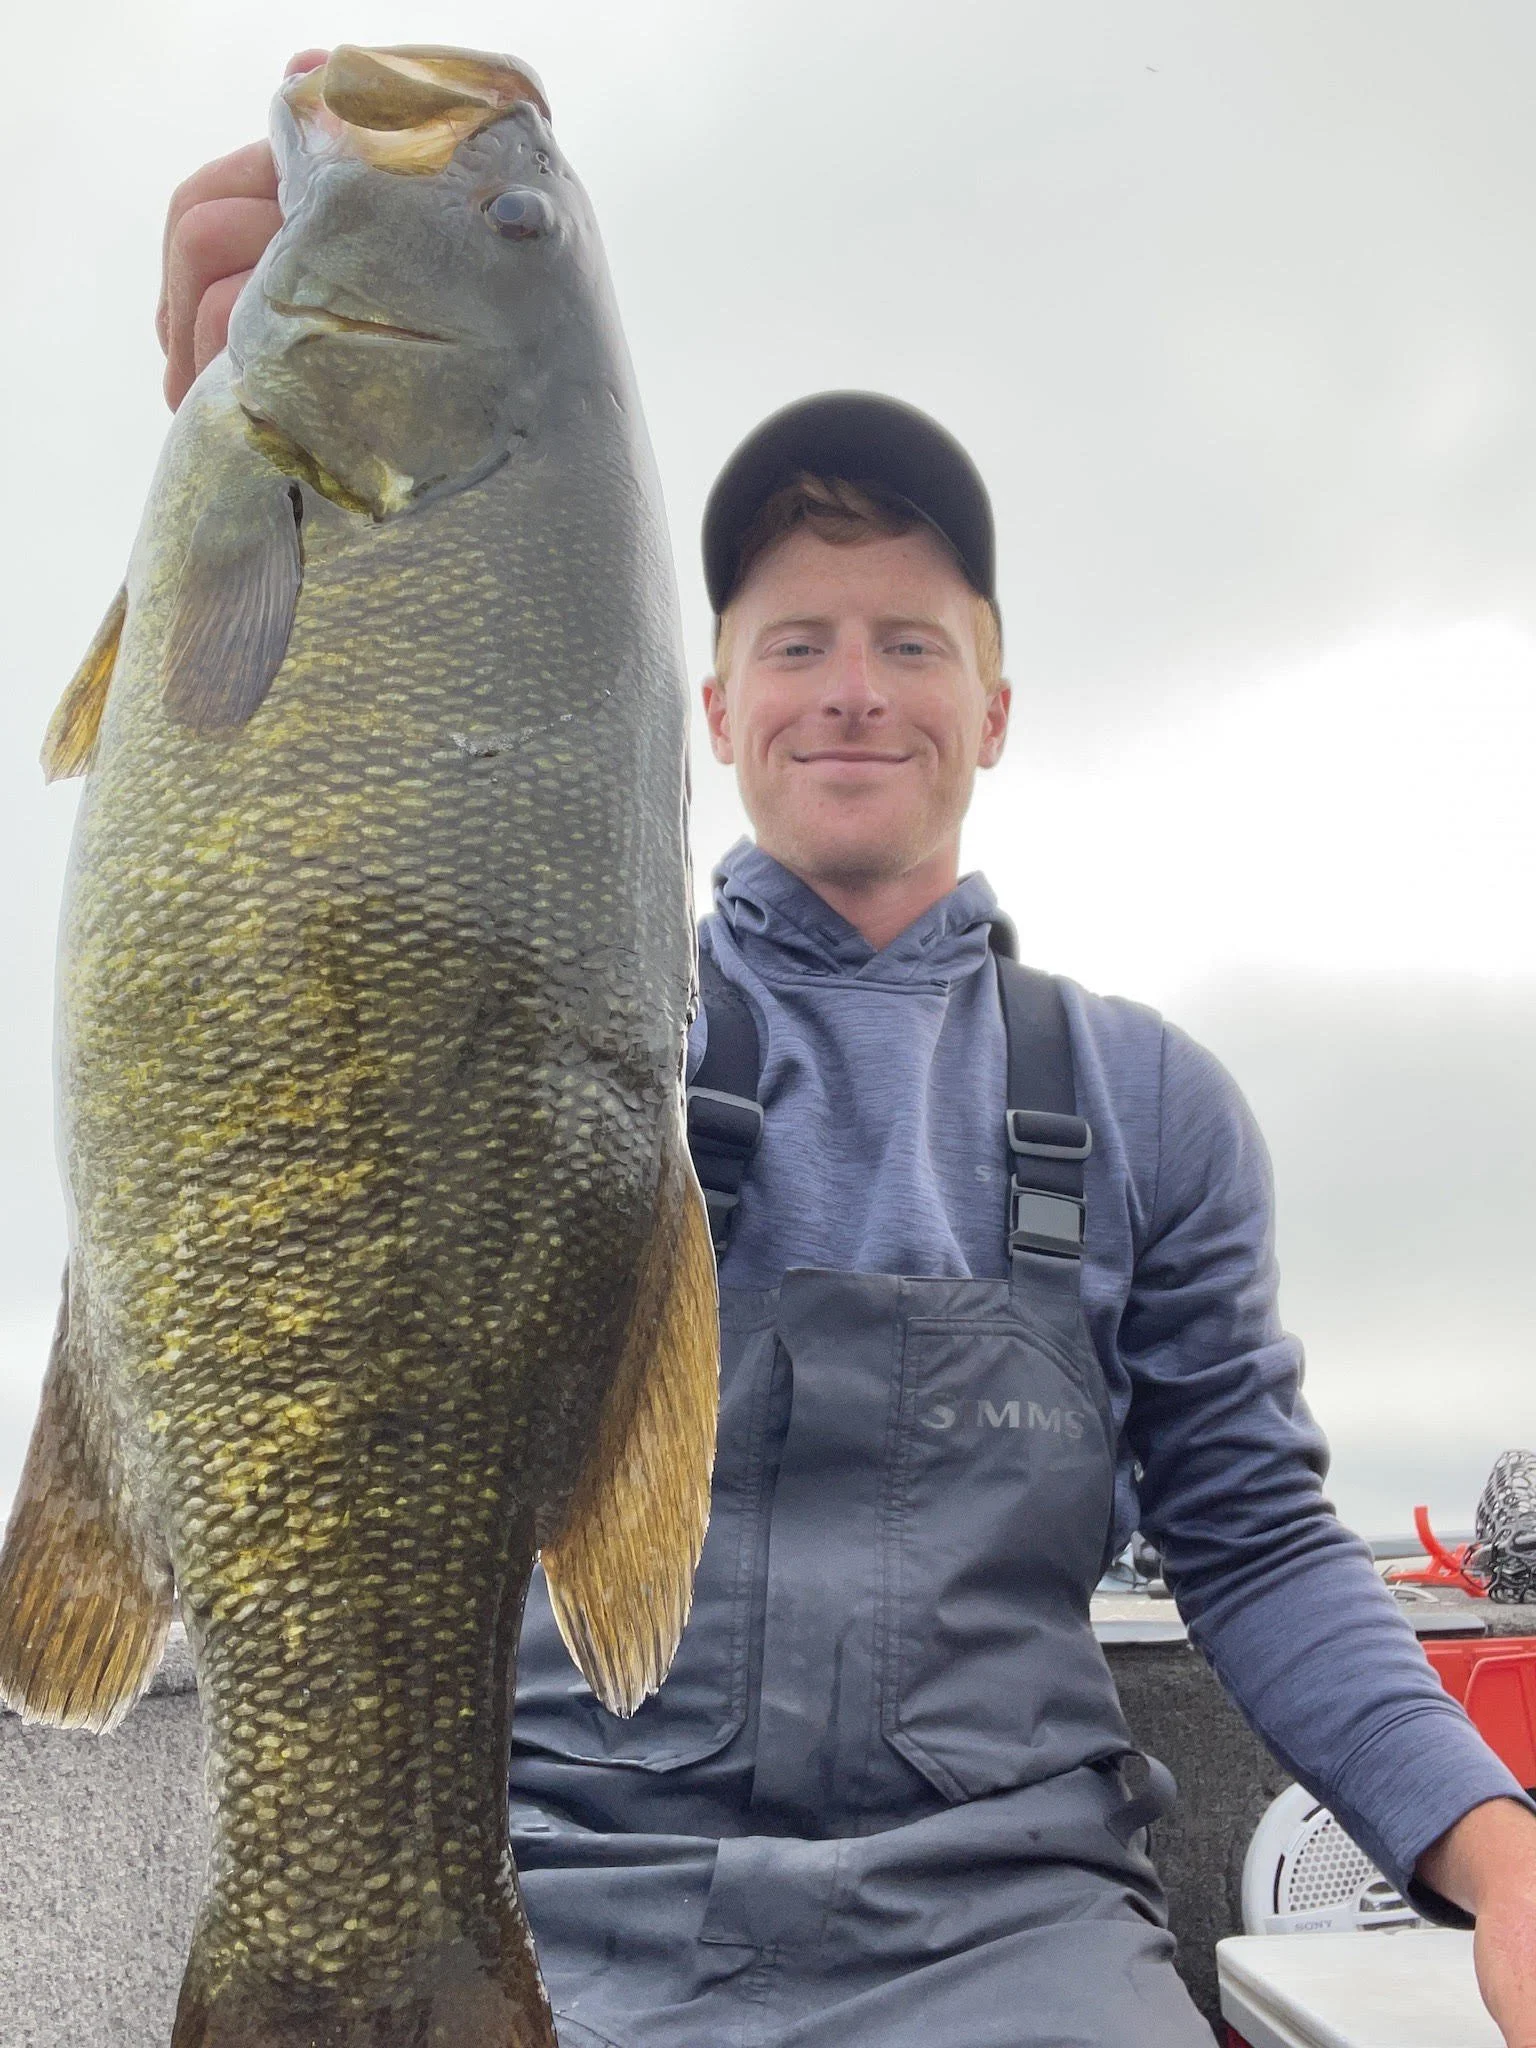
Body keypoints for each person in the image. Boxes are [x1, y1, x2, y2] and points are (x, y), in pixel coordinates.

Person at [159, 65, 1536, 2048]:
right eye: (797, 641)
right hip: (567, 1893)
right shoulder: (557, 1004)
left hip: (1013, 1927)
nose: (854, 688)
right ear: (710, 705)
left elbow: (1247, 1528)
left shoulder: (1149, 1107)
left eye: (911, 638)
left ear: (999, 699)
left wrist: (1493, 1849)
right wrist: (264, 478)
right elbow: (323, 928)